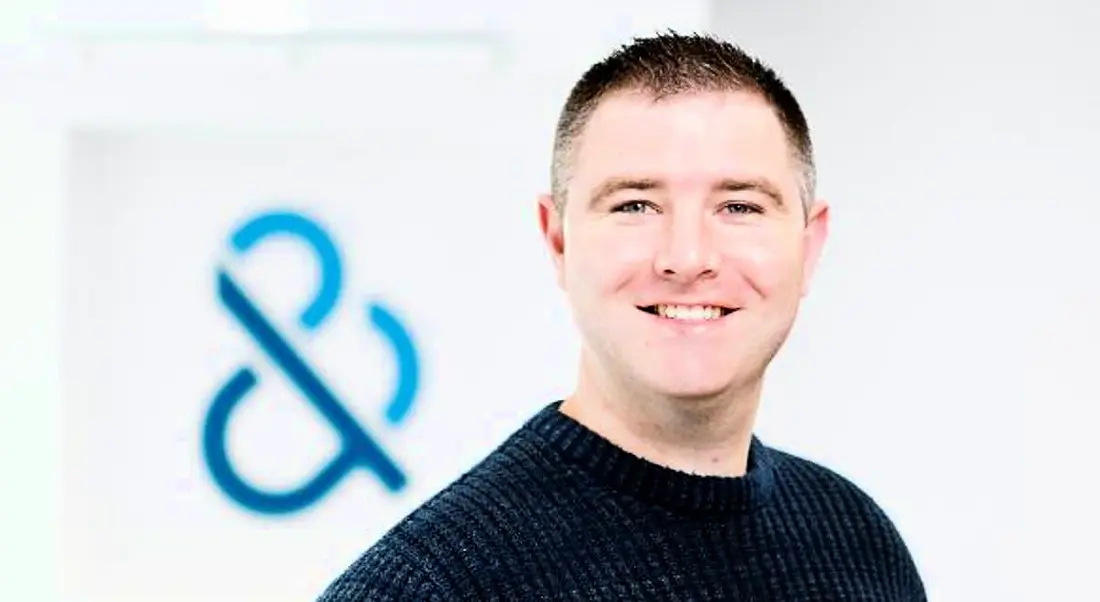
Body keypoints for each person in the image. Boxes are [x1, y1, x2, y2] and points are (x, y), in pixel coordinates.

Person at [317, 31, 926, 601]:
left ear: (808, 244)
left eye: (738, 206)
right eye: (635, 204)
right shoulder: (434, 584)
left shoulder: (859, 543)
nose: (687, 257)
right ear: (557, 239)